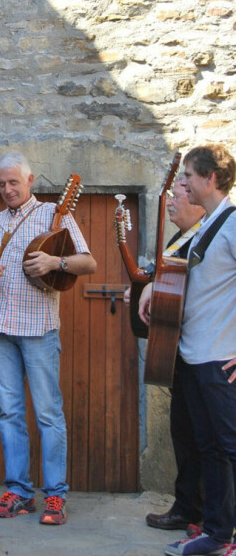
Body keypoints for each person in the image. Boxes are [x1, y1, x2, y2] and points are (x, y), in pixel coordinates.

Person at [0, 152, 96, 525]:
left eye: (13, 182)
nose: (7, 189)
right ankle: (20, 492)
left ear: (29, 180)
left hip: (39, 329)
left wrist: (57, 263)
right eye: (1, 184)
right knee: (10, 413)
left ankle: (55, 495)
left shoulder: (55, 215)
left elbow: (88, 262)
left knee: (48, 413)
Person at [140, 145, 236, 556]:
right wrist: (151, 286)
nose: (183, 184)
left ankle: (224, 536)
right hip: (195, 355)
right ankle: (215, 534)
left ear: (210, 178)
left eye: (189, 176)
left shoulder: (233, 223)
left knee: (228, 450)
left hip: (219, 359)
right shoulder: (207, 225)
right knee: (210, 450)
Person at [133, 180, 205, 532]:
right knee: (184, 434)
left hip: (205, 352)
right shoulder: (179, 239)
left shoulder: (207, 238)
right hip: (180, 352)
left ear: (198, 201)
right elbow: (166, 279)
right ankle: (187, 507)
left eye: (176, 197)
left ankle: (209, 516)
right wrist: (148, 287)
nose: (170, 204)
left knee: (206, 440)